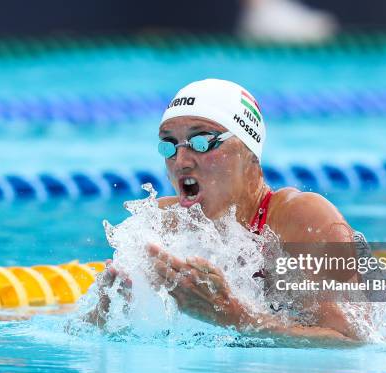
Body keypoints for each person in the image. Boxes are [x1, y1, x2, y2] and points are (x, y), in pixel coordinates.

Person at [89, 79, 365, 344]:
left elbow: (352, 341)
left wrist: (231, 314)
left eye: (202, 142)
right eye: (170, 145)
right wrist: (104, 314)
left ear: (250, 153)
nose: (181, 161)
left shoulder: (305, 219)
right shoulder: (162, 224)